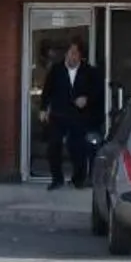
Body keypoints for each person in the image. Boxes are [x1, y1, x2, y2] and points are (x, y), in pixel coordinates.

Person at [41, 38, 102, 190]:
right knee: (53, 145)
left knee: (77, 147)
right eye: (70, 53)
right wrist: (43, 109)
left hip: (79, 116)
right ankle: (57, 179)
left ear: (80, 56)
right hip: (59, 114)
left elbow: (98, 92)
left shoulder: (89, 72)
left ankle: (78, 179)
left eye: (75, 53)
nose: (71, 56)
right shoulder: (56, 70)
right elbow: (47, 91)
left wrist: (87, 99)